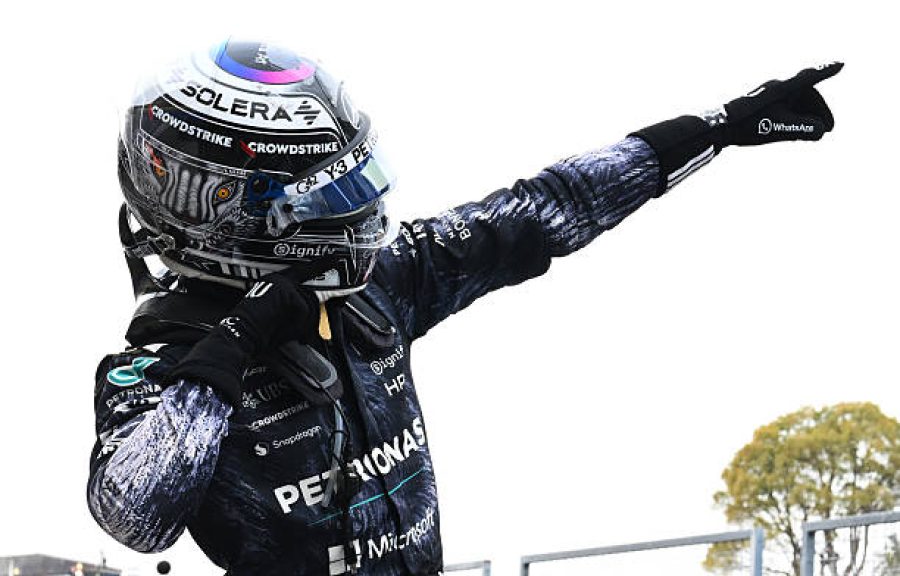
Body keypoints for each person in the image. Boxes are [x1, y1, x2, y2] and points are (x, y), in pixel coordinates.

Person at [87, 39, 841, 575]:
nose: (358, 216)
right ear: (231, 214)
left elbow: (543, 210)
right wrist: (232, 346)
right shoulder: (156, 370)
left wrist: (717, 128)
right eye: (329, 199)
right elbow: (134, 515)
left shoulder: (377, 288)